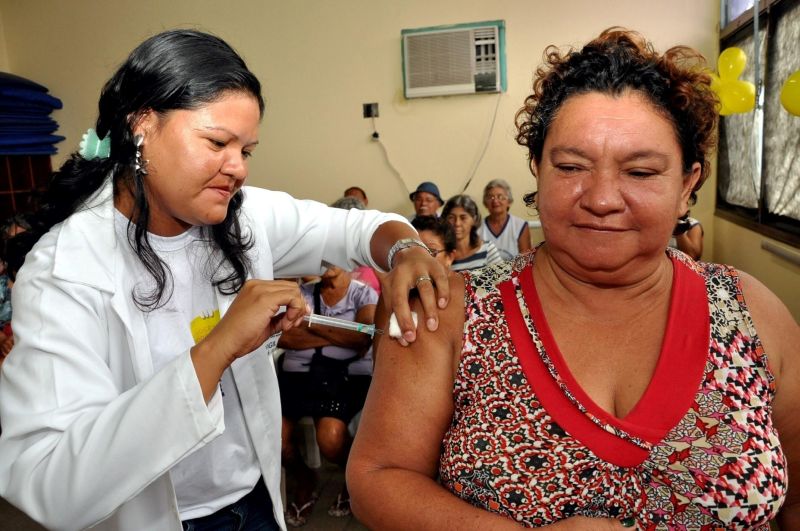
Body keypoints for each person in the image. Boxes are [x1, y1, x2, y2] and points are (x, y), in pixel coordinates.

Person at [348, 28, 799, 530]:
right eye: (570, 166)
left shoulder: (750, 312)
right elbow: (380, 477)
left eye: (641, 172)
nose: (602, 198)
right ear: (537, 170)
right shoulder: (450, 310)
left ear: (688, 184)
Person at [0, 29, 448, 531]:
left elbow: (354, 227)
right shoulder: (68, 267)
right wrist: (219, 348)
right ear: (142, 125)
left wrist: (406, 249)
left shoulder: (242, 217)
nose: (237, 169)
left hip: (252, 500)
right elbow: (50, 481)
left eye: (247, 150)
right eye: (217, 143)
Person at [277, 266, 377, 526]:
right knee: (275, 438)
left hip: (344, 377)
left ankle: (351, 477)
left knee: (330, 438)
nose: (325, 262)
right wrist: (339, 333)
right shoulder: (303, 293)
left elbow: (362, 338)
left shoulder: (363, 295)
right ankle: (304, 477)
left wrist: (310, 323)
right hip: (297, 375)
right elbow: (282, 337)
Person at [443, 194, 503, 271]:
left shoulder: (487, 250)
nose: (457, 223)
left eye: (463, 218)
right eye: (451, 217)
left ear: (474, 220)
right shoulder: (442, 255)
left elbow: (504, 281)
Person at [480, 178, 532, 260]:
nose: (495, 201)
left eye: (500, 197)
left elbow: (525, 260)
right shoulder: (477, 227)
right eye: (491, 197)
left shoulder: (520, 225)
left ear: (509, 202)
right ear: (485, 203)